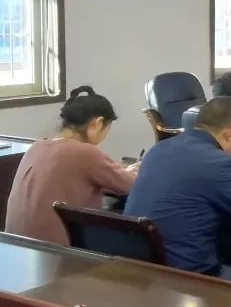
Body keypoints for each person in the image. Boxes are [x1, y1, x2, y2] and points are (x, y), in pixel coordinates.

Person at [124, 96, 231, 284]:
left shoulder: (158, 149)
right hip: (189, 277)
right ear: (230, 134)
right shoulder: (220, 163)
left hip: (139, 266)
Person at [4, 86, 137, 245]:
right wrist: (133, 171)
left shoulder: (37, 146)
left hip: (13, 247)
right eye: (106, 129)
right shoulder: (85, 153)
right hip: (55, 252)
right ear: (97, 123)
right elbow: (132, 185)